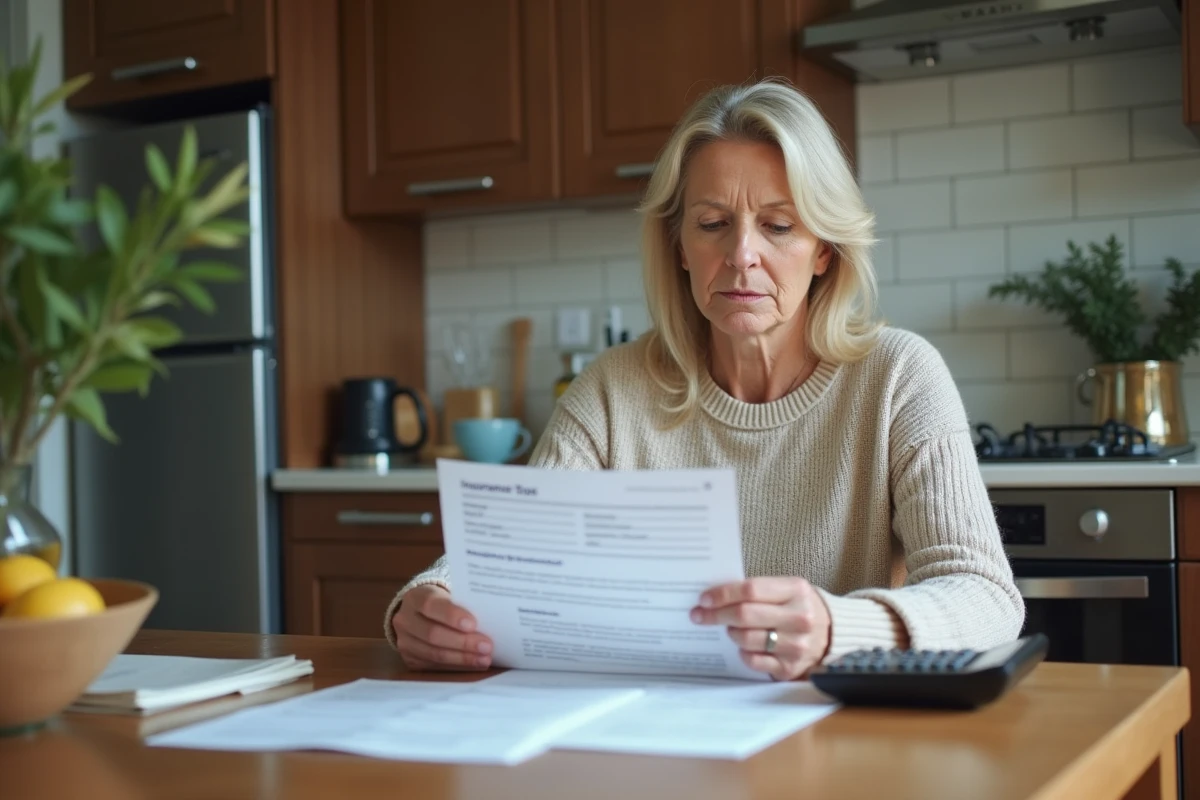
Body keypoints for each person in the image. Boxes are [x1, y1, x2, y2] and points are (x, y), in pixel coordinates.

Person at [384, 79, 1024, 681]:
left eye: (778, 225)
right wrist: (430, 599)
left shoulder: (899, 378)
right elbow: (517, 563)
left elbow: (989, 597)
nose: (741, 254)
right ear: (680, 246)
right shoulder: (612, 390)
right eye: (713, 223)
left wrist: (839, 626)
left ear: (825, 249)